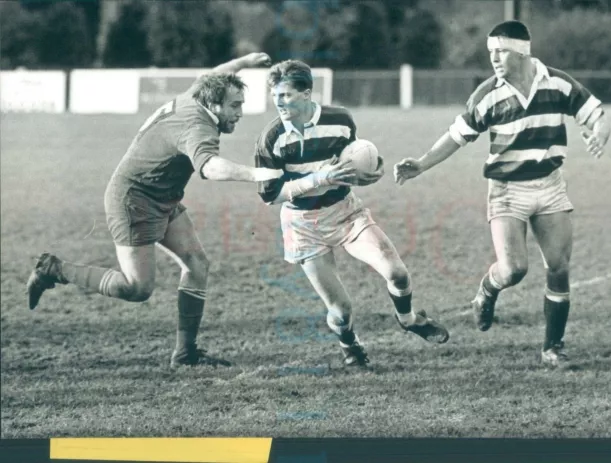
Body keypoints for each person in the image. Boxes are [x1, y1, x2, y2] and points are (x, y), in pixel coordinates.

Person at [26, 52, 283, 368]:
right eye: (234, 106)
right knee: (137, 288)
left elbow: (216, 72)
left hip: (162, 197)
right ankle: (53, 269)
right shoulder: (197, 125)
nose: (240, 113)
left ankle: (185, 354)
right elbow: (210, 167)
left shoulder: (197, 94)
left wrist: (244, 61)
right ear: (214, 104)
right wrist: (257, 174)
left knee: (197, 264)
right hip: (133, 201)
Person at [393, 21, 611, 368]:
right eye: (490, 51)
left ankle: (552, 348)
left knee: (558, 267)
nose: (493, 58)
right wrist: (421, 164)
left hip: (550, 185)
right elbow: (455, 136)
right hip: (507, 191)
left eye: (501, 51)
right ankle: (488, 290)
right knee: (514, 270)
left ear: (521, 51)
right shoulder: (487, 94)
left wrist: (599, 134)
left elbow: (597, 114)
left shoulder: (558, 82)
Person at [254, 60, 450, 367]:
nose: (278, 102)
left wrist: (373, 168)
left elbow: (356, 156)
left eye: (286, 95)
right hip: (303, 224)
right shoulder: (272, 138)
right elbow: (269, 195)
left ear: (307, 93)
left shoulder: (340, 120)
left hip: (345, 212)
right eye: (274, 95)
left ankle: (409, 319)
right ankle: (349, 344)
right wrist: (320, 179)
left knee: (397, 272)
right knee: (341, 310)